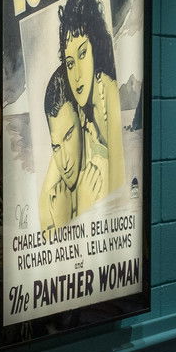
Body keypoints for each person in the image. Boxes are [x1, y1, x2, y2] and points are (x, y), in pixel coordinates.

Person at [58, 0, 124, 194]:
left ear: (96, 47)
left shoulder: (110, 94)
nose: (77, 75)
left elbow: (119, 189)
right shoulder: (78, 109)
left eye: (83, 53)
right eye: (70, 64)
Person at [39, 67, 108, 234]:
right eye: (56, 147)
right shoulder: (55, 185)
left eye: (69, 135)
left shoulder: (101, 171)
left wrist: (79, 215)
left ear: (82, 117)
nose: (64, 163)